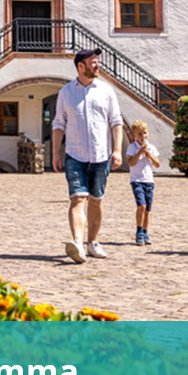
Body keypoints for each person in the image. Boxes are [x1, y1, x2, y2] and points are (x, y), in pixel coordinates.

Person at [51, 48, 123, 264]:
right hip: (75, 155)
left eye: (97, 61)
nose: (97, 65)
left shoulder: (106, 91)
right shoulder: (66, 92)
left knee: (96, 201)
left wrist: (117, 150)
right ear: (80, 66)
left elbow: (116, 121)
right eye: (93, 62)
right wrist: (55, 153)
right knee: (78, 198)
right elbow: (58, 124)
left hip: (101, 155)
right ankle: (77, 244)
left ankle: (93, 242)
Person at [126, 119, 160, 246]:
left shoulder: (151, 148)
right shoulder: (132, 148)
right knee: (142, 206)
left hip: (149, 181)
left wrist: (149, 155)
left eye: (144, 133)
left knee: (147, 210)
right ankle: (139, 230)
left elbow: (157, 164)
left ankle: (145, 231)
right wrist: (140, 152)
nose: (143, 136)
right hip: (137, 180)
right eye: (140, 134)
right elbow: (131, 163)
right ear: (134, 135)